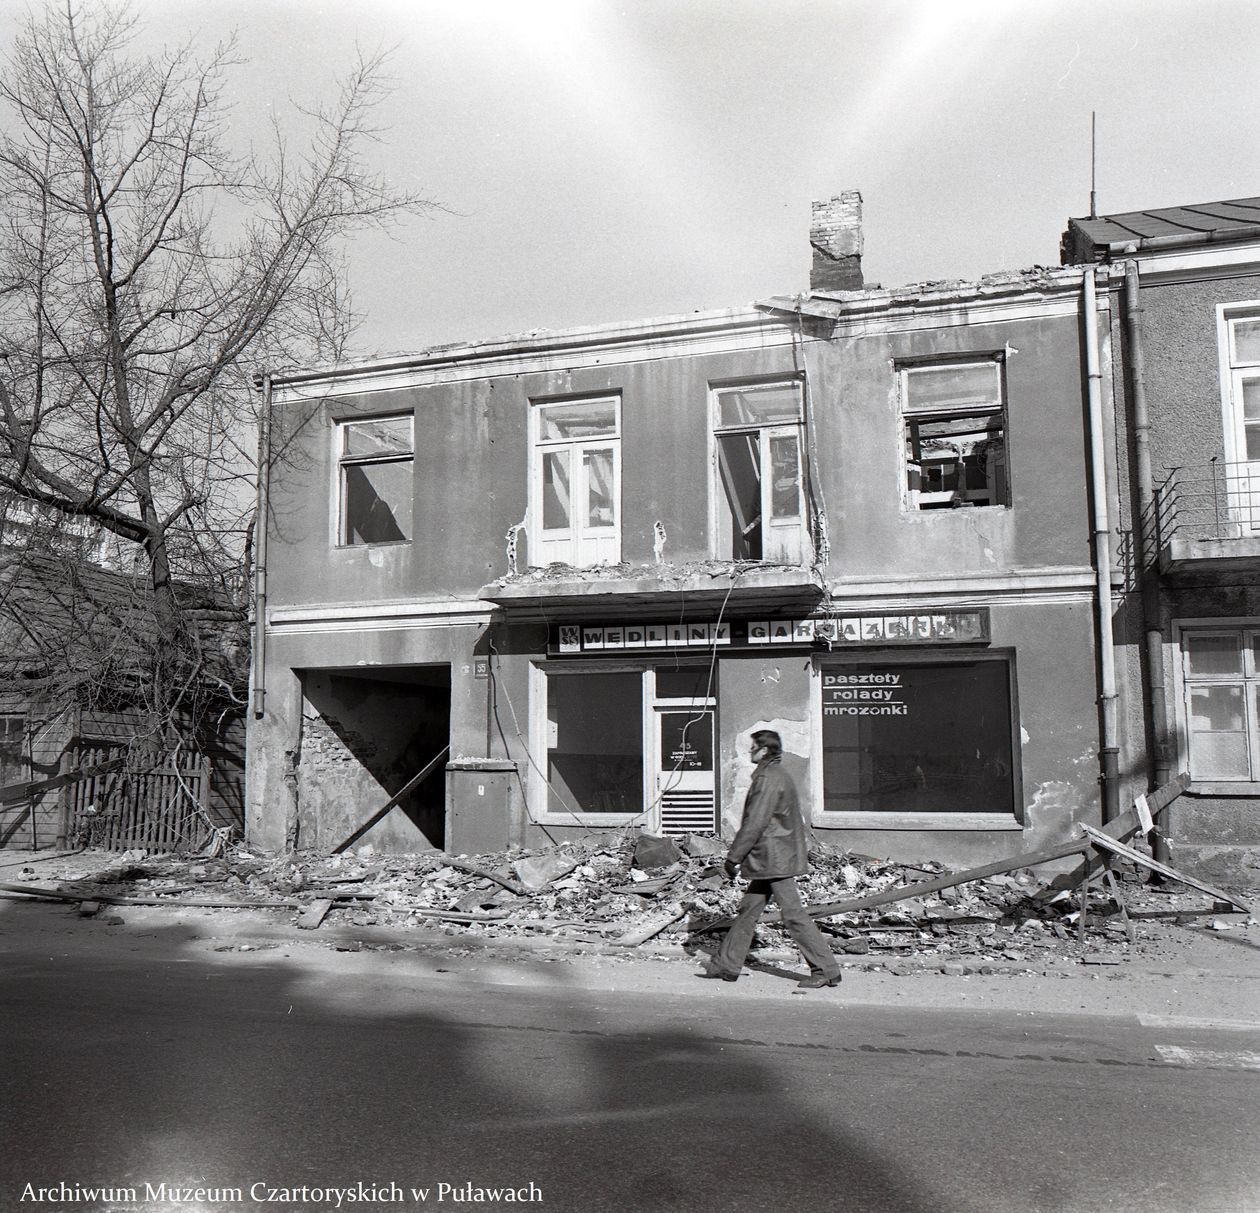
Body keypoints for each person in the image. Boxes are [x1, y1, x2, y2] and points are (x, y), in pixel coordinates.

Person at [702, 729, 842, 989]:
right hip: (773, 856)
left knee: (792, 913)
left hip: (773, 857)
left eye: (753, 747)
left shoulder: (767, 778)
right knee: (748, 909)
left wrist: (734, 857)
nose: (749, 751)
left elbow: (756, 822)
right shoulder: (777, 774)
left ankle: (825, 969)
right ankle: (726, 964)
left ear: (764, 750)